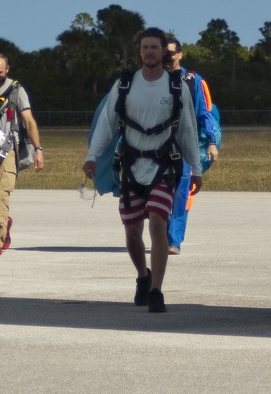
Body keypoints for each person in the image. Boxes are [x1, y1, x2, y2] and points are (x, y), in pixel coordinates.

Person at [83, 28, 203, 313]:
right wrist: (91, 155)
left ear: (164, 52)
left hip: (163, 168)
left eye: (154, 48)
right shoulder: (125, 85)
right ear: (139, 52)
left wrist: (196, 167)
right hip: (130, 169)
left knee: (158, 224)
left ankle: (157, 290)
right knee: (133, 232)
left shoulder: (176, 87)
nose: (149, 52)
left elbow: (187, 128)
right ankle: (142, 275)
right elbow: (106, 123)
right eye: (145, 47)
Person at [0, 53, 44, 256]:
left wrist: (38, 150)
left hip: (8, 150)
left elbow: (29, 121)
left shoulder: (16, 90)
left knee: (0, 193)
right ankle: (4, 223)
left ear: (7, 69)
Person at [164, 38, 219, 255]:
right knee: (155, 190)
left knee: (181, 192)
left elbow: (204, 112)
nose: (168, 58)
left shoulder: (194, 80)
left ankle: (173, 240)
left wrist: (212, 143)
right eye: (164, 54)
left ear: (180, 54)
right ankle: (164, 228)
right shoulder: (153, 78)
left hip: (186, 144)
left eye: (171, 54)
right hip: (156, 144)